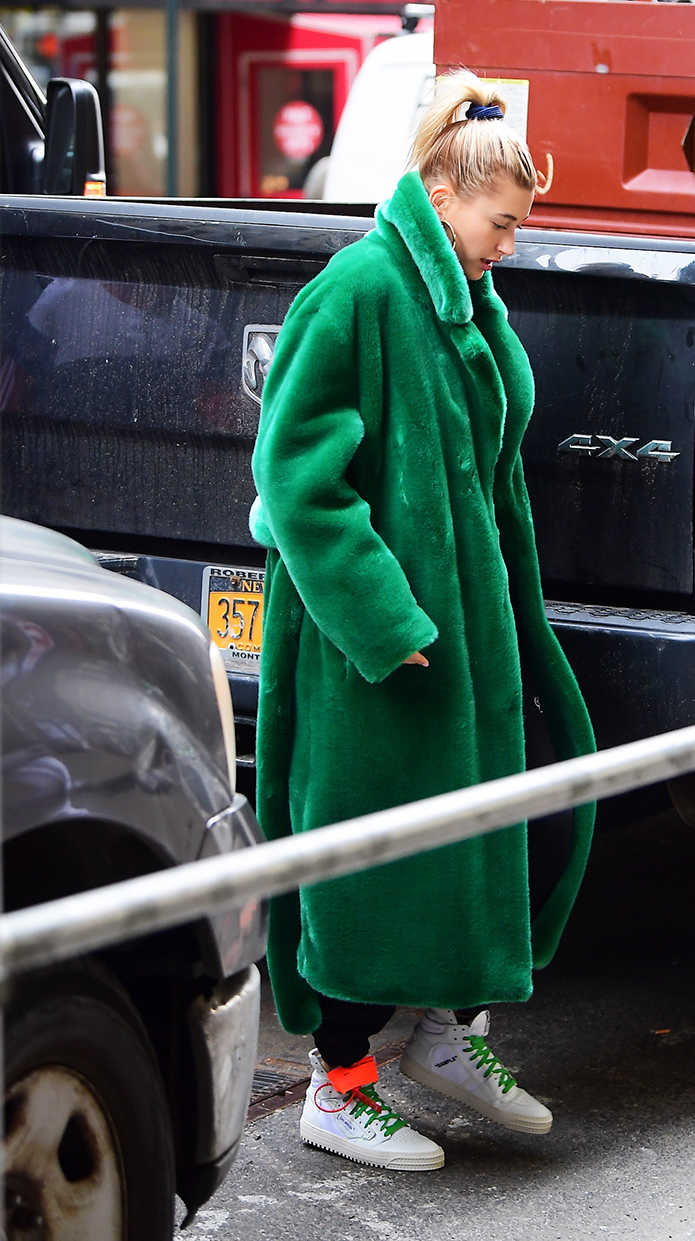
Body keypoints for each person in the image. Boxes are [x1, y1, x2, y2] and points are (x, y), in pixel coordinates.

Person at [249, 69, 596, 1172]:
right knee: (366, 858)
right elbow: (295, 476)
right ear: (443, 194)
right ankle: (337, 1086)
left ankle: (447, 1037)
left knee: (483, 834)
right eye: (502, 223)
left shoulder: (458, 292)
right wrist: (383, 618)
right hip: (379, 651)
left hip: (465, 636)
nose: (511, 245)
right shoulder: (357, 290)